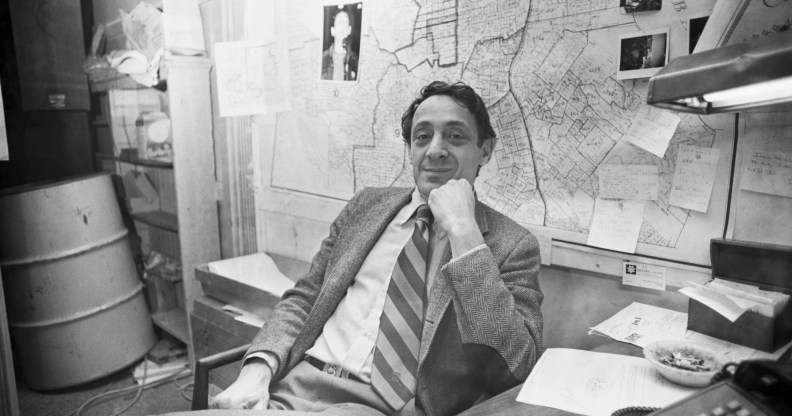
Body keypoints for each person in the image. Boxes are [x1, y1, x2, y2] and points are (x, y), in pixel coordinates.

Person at [177, 81, 543, 416]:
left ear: (485, 150)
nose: (435, 150)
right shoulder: (367, 207)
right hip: (290, 389)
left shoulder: (510, 245)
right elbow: (305, 297)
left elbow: (514, 367)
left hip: (379, 407)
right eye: (422, 136)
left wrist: (465, 234)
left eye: (455, 136)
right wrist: (258, 370)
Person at [321, 8, 359, 81]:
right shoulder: (322, 60)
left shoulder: (355, 61)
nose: (342, 26)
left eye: (345, 22)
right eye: (339, 22)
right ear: (333, 31)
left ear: (349, 30)